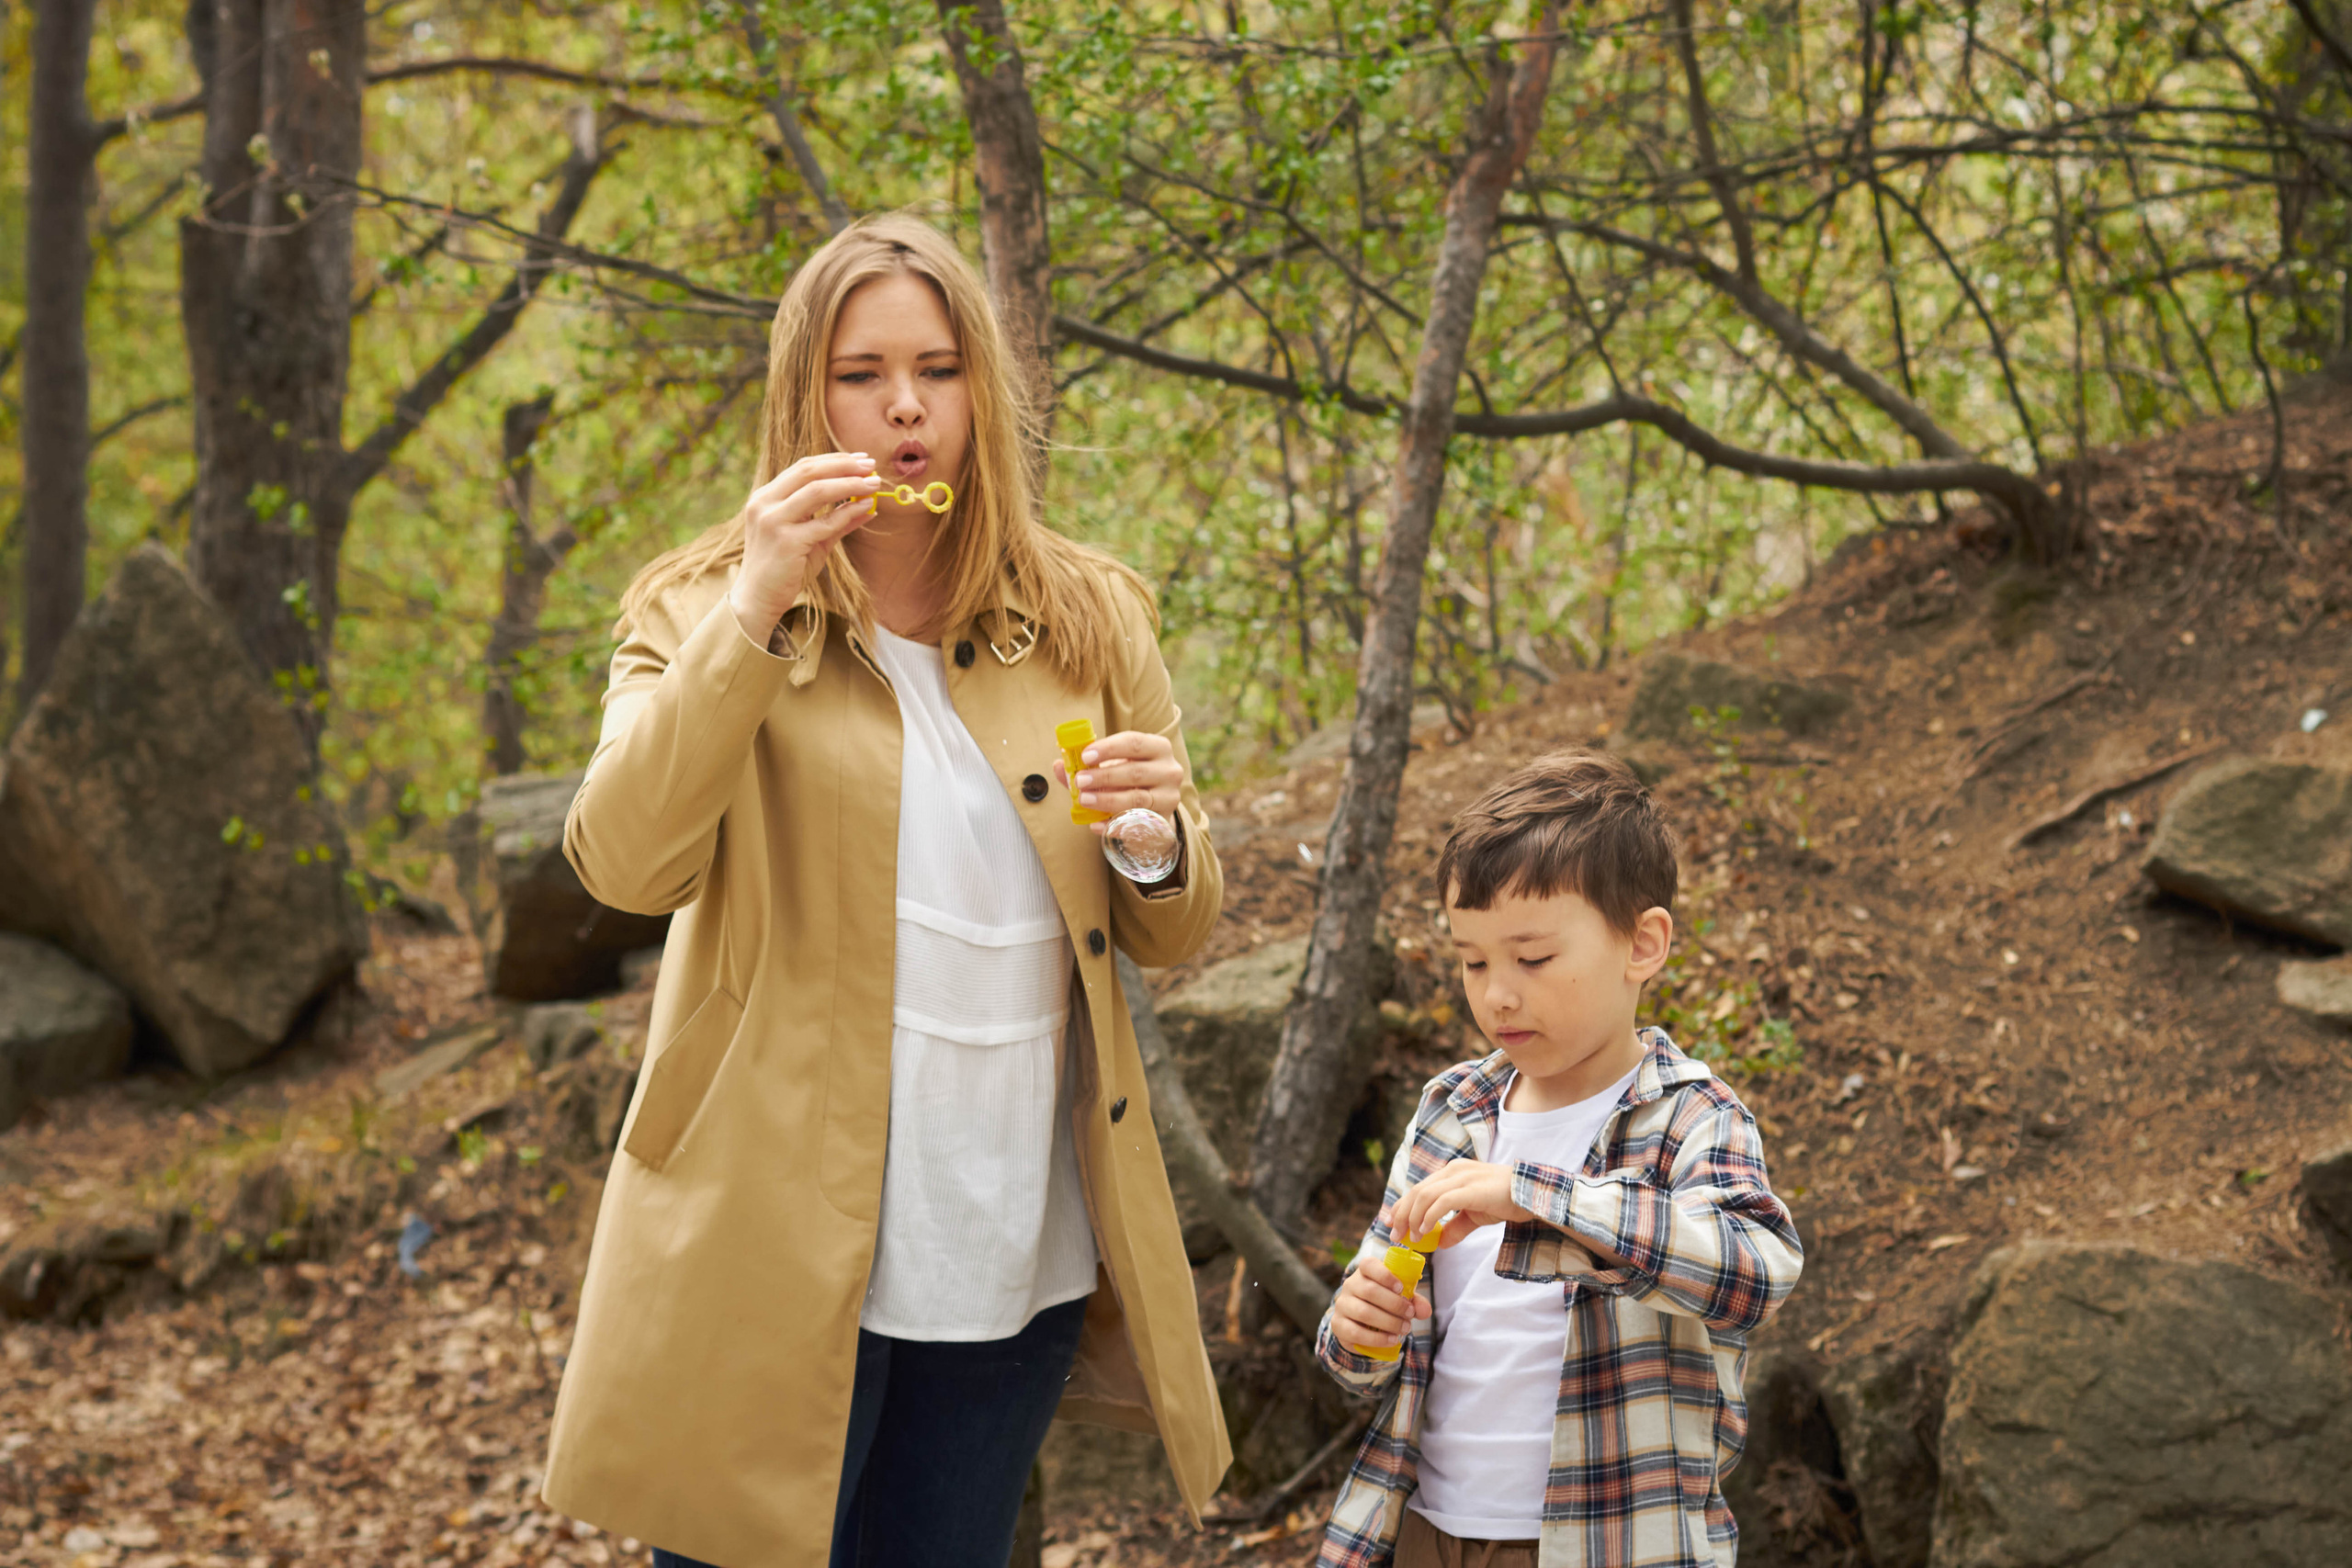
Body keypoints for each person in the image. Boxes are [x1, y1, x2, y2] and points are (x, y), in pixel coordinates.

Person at [537, 212, 1230, 1568]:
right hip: (770, 1245)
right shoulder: (697, 606)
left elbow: (1173, 926)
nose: (905, 405)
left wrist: (1158, 838)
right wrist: (756, 613)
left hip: (1010, 1245)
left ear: (984, 389)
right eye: (862, 372)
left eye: (939, 367)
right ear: (807, 389)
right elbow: (623, 860)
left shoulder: (1089, 615)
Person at [1317, 750, 1804, 1568]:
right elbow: (1365, 1340)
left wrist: (1536, 1196)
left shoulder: (1691, 1114)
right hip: (1425, 1529)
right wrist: (1360, 1329)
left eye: (1532, 958)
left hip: (1609, 1540)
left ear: (1642, 944)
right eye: (1473, 960)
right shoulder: (1453, 1111)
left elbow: (1754, 1271)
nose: (1496, 992)